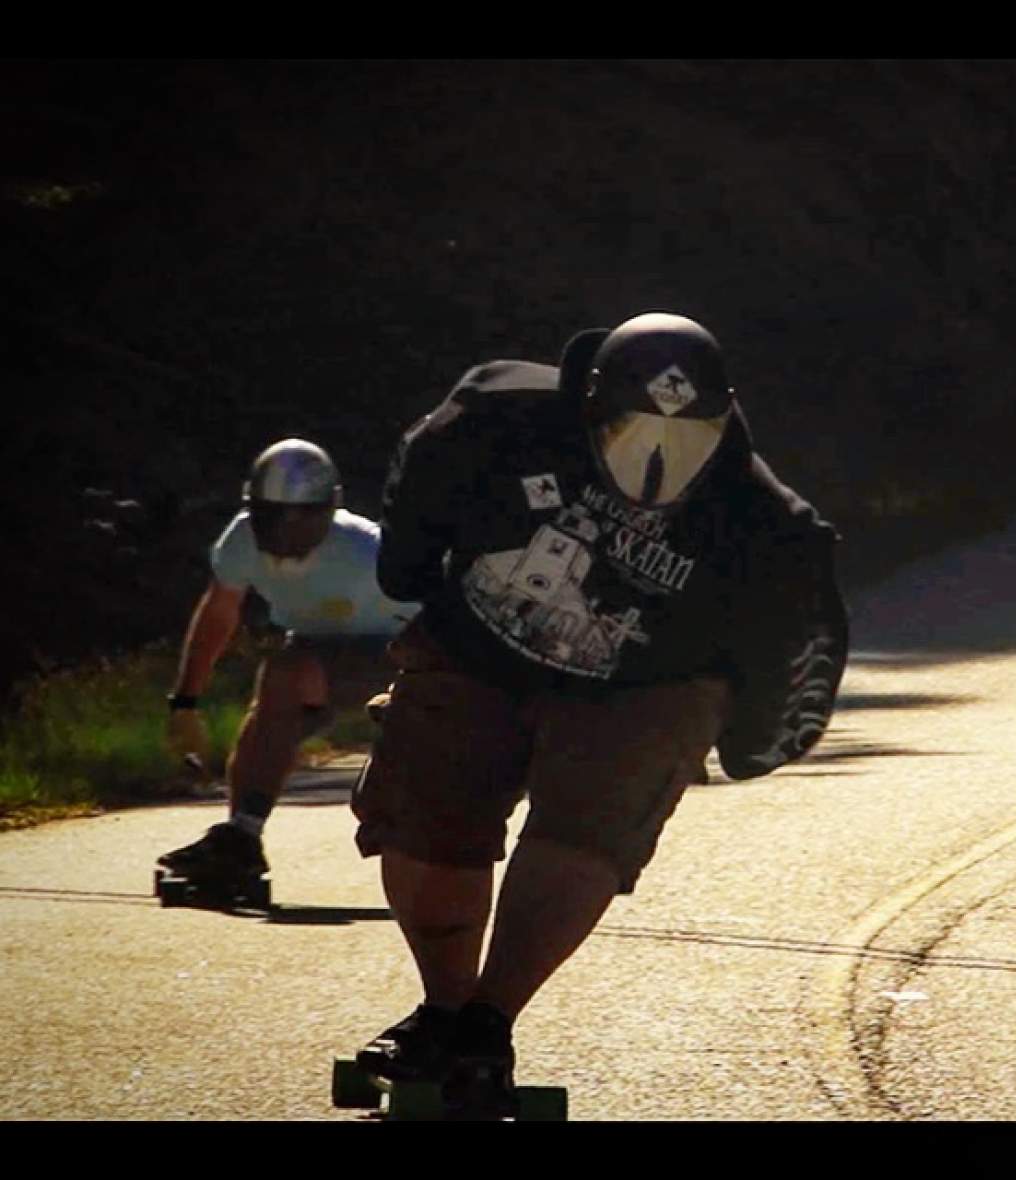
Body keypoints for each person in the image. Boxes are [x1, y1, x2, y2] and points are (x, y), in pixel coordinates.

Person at [351, 312, 848, 1117]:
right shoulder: (498, 414)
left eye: (687, 441)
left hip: (647, 684)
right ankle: (443, 1010)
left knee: (588, 826)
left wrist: (758, 740)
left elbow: (806, 641)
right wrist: (407, 567)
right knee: (426, 808)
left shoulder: (764, 525)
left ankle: (489, 1020)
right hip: (480, 641)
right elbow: (419, 474)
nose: (656, 461)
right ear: (588, 403)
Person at [158, 438, 415, 890]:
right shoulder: (241, 541)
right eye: (272, 516)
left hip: (400, 650)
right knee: (279, 682)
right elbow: (219, 613)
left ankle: (421, 829)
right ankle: (242, 836)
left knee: (288, 674)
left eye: (302, 517)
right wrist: (185, 702)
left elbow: (437, 612)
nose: (286, 529)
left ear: (330, 509)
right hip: (315, 646)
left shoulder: (366, 551)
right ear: (253, 509)